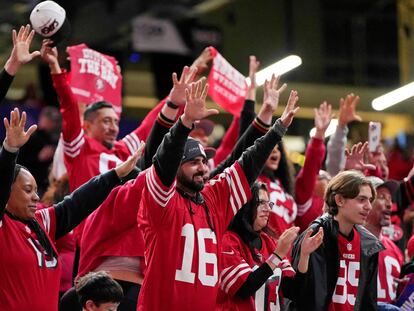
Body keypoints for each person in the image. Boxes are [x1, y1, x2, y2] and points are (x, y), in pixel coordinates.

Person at [137, 77, 299, 310]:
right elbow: (163, 163)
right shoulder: (161, 202)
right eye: (193, 162)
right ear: (177, 168)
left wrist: (278, 129)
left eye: (204, 161)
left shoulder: (213, 199)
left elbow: (246, 162)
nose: (203, 167)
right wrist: (185, 123)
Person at [0, 107, 143, 311]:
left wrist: (115, 175)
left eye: (35, 190)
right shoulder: (3, 225)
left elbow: (77, 203)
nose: (36, 196)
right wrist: (9, 151)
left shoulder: (41, 222)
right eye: (27, 190)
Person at [216, 182, 324, 310]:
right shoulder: (228, 241)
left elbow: (294, 292)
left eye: (269, 203)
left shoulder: (269, 242)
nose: (268, 209)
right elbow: (243, 289)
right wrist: (277, 255)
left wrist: (304, 255)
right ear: (244, 204)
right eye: (261, 203)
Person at [290, 170, 384, 311]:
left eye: (370, 200)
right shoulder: (315, 235)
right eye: (361, 199)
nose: (368, 207)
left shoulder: (369, 244)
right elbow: (297, 295)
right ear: (339, 200)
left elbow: (368, 303)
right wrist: (304, 257)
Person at [364, 176, 403, 308]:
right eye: (381, 197)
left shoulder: (395, 250)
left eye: (390, 199)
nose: (389, 204)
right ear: (365, 203)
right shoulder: (351, 242)